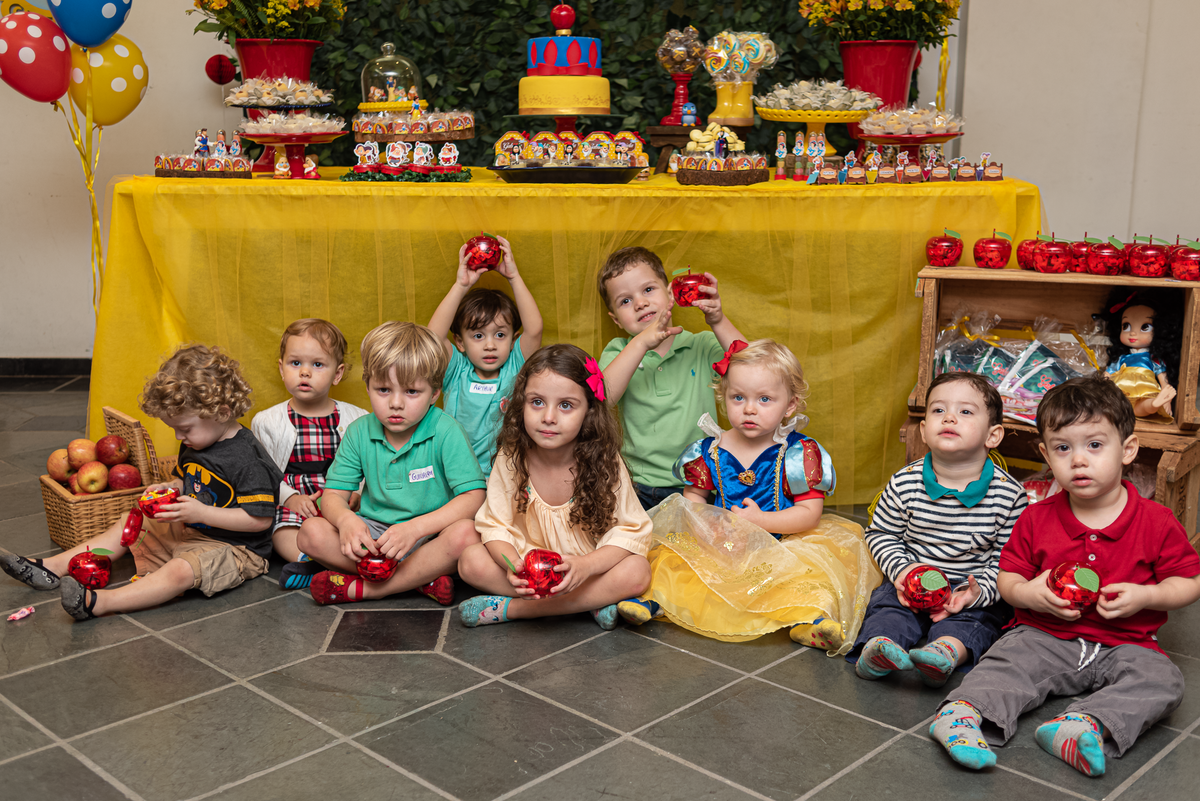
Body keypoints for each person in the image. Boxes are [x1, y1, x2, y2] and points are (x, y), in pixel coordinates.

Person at [931, 374, 1200, 777]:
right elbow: (1008, 579)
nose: (1078, 460)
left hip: (1126, 643)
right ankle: (962, 716)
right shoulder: (1036, 517)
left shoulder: (1157, 521)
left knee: (1163, 681)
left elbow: (1188, 582)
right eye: (1062, 448)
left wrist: (1148, 597)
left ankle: (1080, 727)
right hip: (1045, 635)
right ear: (1046, 453)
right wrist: (1028, 594)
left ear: (1127, 449)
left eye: (1094, 445)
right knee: (1006, 661)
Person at [617, 339, 880, 651]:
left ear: (790, 405)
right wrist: (706, 525)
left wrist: (760, 520)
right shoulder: (709, 450)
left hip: (783, 541)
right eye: (738, 397)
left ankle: (809, 620)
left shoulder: (798, 453)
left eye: (765, 399)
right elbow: (692, 499)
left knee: (811, 576)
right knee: (672, 561)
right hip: (723, 542)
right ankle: (653, 601)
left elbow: (810, 514)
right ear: (723, 396)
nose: (749, 409)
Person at [1, 345, 283, 619]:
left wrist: (201, 513)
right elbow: (190, 479)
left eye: (184, 429)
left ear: (221, 413)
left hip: (236, 549)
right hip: (191, 531)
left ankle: (98, 603)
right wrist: (172, 487)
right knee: (131, 521)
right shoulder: (197, 441)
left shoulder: (248, 460)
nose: (178, 438)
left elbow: (259, 521)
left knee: (180, 571)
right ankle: (52, 567)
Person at [457, 344, 652, 630]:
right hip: (529, 564)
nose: (548, 417)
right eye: (537, 402)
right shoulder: (512, 456)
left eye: (565, 405)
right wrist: (513, 565)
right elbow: (494, 525)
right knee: (469, 561)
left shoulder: (604, 459)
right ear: (521, 402)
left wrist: (586, 567)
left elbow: (631, 531)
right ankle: (590, 603)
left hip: (588, 565)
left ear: (588, 411)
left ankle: (517, 610)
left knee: (638, 572)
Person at [851, 372, 1027, 685]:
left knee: (978, 621)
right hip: (912, 579)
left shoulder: (1009, 495)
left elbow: (1007, 560)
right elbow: (881, 534)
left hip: (967, 585)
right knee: (888, 606)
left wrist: (975, 594)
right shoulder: (904, 482)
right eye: (938, 410)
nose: (949, 417)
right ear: (924, 429)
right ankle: (880, 647)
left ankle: (945, 653)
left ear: (993, 435)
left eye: (965, 412)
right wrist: (903, 573)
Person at [298, 321, 486, 606]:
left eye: (411, 392)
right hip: (373, 536)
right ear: (368, 386)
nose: (396, 403)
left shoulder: (447, 431)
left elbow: (474, 498)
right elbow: (333, 496)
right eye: (384, 390)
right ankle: (420, 580)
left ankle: (374, 588)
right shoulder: (359, 431)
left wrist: (415, 528)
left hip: (428, 536)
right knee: (311, 533)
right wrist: (347, 520)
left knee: (467, 534)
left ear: (435, 393)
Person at [597, 246, 744, 510]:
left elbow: (755, 366)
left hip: (702, 483)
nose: (640, 303)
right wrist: (641, 343)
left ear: (670, 293)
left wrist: (718, 320)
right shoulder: (619, 351)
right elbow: (602, 397)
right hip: (638, 486)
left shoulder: (701, 345)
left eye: (648, 290)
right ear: (616, 319)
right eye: (625, 301)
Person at [251, 319, 369, 590]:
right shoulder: (267, 421)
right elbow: (262, 471)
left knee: (362, 523)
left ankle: (341, 560)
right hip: (296, 500)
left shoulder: (357, 419)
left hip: (339, 497)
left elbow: (367, 464)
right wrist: (289, 497)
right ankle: (308, 561)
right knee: (281, 526)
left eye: (317, 365)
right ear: (281, 369)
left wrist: (357, 493)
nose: (305, 372)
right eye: (295, 363)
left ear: (337, 374)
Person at [428, 235, 542, 477]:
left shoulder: (515, 366)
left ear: (513, 340)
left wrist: (514, 277)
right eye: (478, 336)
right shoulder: (456, 370)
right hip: (456, 474)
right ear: (459, 342)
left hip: (505, 475)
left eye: (500, 335)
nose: (490, 345)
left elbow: (535, 329)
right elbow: (433, 338)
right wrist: (461, 285)